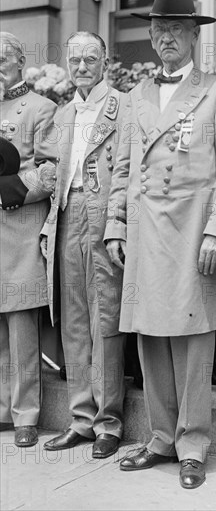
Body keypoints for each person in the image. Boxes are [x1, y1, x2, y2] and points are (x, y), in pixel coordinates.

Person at [104, 0, 216, 489]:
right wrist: (115, 226)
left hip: (191, 231)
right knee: (149, 337)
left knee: (192, 340)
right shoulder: (136, 95)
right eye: (158, 29)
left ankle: (193, 445)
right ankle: (161, 438)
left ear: (193, 36)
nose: (165, 38)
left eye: (176, 29)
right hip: (144, 233)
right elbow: (122, 170)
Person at [41, 32, 128, 459]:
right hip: (66, 215)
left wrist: (118, 221)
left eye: (90, 59)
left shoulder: (123, 107)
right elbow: (49, 169)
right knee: (72, 317)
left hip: (102, 213)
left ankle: (108, 422)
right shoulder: (61, 114)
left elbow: (128, 169)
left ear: (105, 60)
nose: (81, 67)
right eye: (74, 60)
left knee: (104, 316)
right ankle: (80, 418)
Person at [0, 32, 57, 447]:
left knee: (21, 330)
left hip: (19, 227)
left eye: (4, 58)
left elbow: (51, 169)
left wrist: (11, 190)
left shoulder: (42, 107)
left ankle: (25, 416)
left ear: (21, 62)